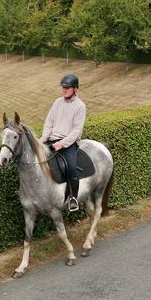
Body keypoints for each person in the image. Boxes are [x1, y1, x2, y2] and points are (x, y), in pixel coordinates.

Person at [40, 73, 86, 213]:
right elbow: (49, 122)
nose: (64, 90)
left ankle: (73, 199)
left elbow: (77, 131)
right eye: (63, 87)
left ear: (75, 88)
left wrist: (63, 143)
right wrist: (44, 137)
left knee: (71, 167)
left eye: (67, 88)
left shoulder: (80, 106)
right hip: (51, 139)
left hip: (69, 143)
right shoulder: (57, 102)